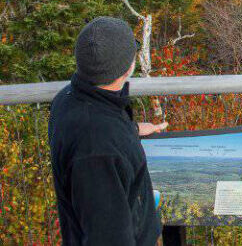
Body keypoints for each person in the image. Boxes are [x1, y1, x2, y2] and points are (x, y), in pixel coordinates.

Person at [48, 17, 168, 245]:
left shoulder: (67, 99)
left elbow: (96, 130)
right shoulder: (98, 150)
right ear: (128, 66)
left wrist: (131, 129)